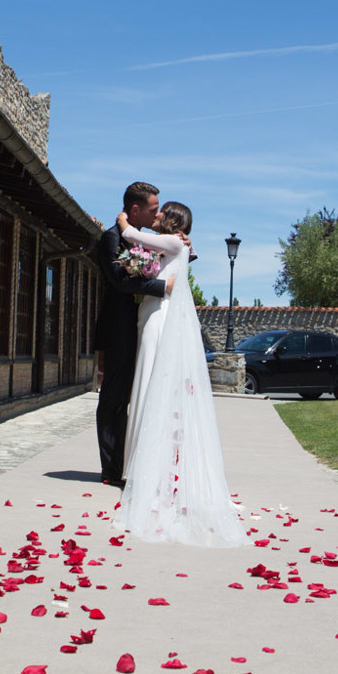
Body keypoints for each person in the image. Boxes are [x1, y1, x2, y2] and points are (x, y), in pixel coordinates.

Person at [114, 202, 242, 547]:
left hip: (160, 318)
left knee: (149, 388)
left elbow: (128, 234)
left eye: (159, 213)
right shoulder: (178, 243)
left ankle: (141, 468)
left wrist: (123, 220)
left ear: (169, 220)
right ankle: (141, 464)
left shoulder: (174, 242)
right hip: (153, 313)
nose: (154, 217)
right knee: (148, 387)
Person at [94, 182, 172, 489]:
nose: (157, 215)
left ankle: (126, 463)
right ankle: (110, 468)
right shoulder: (110, 239)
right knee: (113, 400)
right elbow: (120, 281)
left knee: (132, 397)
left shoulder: (144, 239)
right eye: (153, 209)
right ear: (135, 209)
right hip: (118, 330)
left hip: (141, 327)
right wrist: (161, 288)